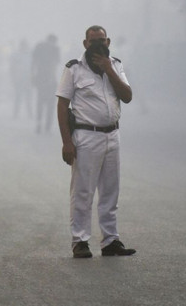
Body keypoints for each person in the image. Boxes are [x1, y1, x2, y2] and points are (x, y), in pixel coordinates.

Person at [57, 25, 137, 258]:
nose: (98, 45)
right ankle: (80, 241)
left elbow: (128, 96)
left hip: (112, 135)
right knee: (82, 191)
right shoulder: (74, 69)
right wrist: (66, 142)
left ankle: (110, 240)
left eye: (101, 40)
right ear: (85, 44)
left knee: (111, 191)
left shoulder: (116, 65)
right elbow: (62, 105)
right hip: (86, 136)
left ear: (108, 41)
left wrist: (109, 70)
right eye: (93, 41)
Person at [31, 34, 61, 133]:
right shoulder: (54, 49)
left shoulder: (39, 47)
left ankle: (39, 123)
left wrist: (33, 77)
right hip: (50, 80)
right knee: (50, 104)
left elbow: (34, 63)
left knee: (40, 102)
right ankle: (47, 126)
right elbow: (54, 65)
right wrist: (52, 79)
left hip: (40, 79)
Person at [10, 40, 33, 119]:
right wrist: (13, 78)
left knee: (28, 97)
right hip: (20, 79)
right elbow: (12, 68)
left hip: (27, 78)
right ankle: (16, 113)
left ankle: (29, 113)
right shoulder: (16, 55)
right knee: (18, 97)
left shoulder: (29, 55)